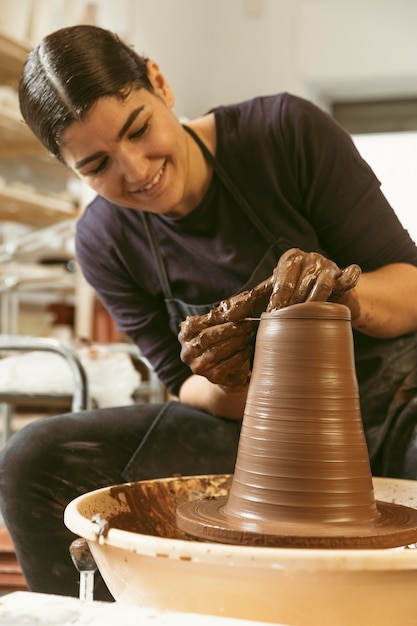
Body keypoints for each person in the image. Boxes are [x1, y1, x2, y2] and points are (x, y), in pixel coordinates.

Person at [1, 23, 417, 601]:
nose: (137, 171)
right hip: (255, 433)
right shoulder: (103, 241)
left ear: (160, 84)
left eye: (139, 129)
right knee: (34, 459)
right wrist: (227, 379)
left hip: (393, 402)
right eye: (97, 166)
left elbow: (410, 287)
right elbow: (180, 386)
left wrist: (345, 295)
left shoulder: (283, 133)